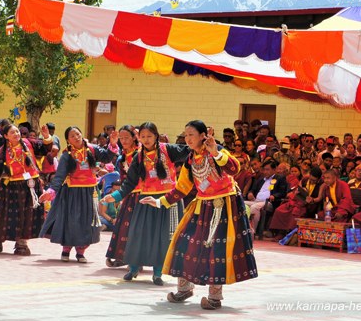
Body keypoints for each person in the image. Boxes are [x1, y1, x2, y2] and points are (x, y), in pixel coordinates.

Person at [139, 120, 257, 310]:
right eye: (185, 135)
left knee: (216, 250)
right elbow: (183, 187)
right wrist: (160, 201)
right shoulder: (190, 159)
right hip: (202, 205)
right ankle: (185, 288)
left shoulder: (217, 150)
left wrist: (216, 153)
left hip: (224, 205)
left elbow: (234, 169)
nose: (187, 139)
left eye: (191, 134)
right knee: (183, 242)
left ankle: (214, 297)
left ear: (203, 136)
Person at [101, 122, 188, 285]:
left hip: (167, 201)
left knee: (162, 238)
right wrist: (115, 196)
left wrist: (204, 143)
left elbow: (190, 151)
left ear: (156, 136)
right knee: (138, 235)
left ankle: (157, 273)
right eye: (143, 136)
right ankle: (133, 268)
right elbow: (130, 183)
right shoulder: (138, 156)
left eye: (149, 136)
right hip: (146, 200)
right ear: (139, 138)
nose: (146, 140)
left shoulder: (168, 150)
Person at [39, 126, 119, 262]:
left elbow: (107, 157)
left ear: (81, 134)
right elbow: (59, 176)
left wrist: (112, 143)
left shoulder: (92, 149)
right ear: (68, 140)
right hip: (71, 192)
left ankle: (81, 251)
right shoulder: (66, 155)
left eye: (77, 134)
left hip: (89, 192)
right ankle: (66, 249)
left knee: (87, 221)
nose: (76, 137)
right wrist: (51, 191)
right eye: (72, 136)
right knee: (71, 221)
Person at [0, 124, 49, 255]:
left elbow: (44, 149)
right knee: (5, 216)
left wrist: (47, 137)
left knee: (27, 215)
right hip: (11, 188)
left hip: (30, 185)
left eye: (17, 131)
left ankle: (21, 244)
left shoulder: (28, 143)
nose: (17, 134)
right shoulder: (3, 151)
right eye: (13, 132)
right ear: (6, 136)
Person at [105, 125, 140, 268]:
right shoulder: (122, 157)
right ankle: (122, 257)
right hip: (129, 195)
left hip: (143, 195)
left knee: (138, 227)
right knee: (125, 226)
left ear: (134, 137)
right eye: (121, 138)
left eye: (127, 137)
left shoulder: (141, 154)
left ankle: (138, 259)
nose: (124, 141)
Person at [269, 167, 323, 237]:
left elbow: (319, 198)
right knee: (279, 210)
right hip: (298, 200)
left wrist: (312, 199)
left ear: (318, 179)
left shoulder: (322, 184)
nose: (312, 181)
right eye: (311, 179)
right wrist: (298, 191)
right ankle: (279, 232)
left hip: (309, 205)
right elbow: (298, 189)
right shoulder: (305, 179)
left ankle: (290, 234)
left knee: (295, 212)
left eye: (314, 180)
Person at [245, 160, 288, 233]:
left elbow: (282, 192)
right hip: (256, 201)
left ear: (274, 170)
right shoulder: (261, 179)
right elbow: (253, 189)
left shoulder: (280, 178)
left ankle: (252, 231)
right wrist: (250, 193)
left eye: (267, 170)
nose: (265, 172)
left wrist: (274, 196)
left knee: (254, 207)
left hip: (269, 202)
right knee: (242, 204)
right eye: (264, 169)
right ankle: (242, 228)